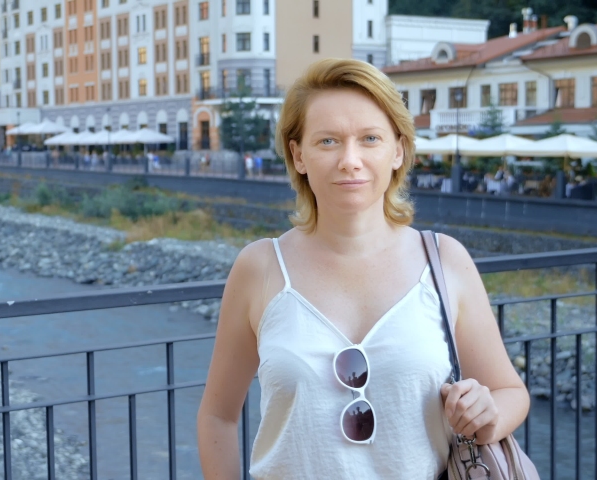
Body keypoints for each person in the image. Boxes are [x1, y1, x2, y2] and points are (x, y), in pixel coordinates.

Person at [196, 58, 529, 479]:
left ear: (398, 150)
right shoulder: (259, 267)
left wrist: (487, 414)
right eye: (328, 141)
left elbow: (510, 392)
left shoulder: (444, 261)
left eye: (370, 138)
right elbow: (218, 417)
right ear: (298, 155)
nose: (350, 160)